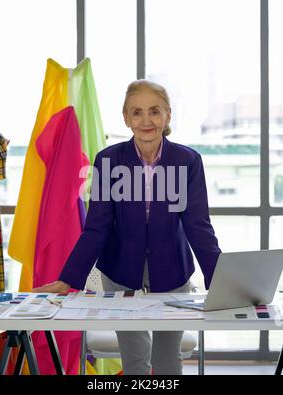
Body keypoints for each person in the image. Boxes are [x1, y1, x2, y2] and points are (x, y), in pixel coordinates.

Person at [33, 80, 221, 375]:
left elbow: (198, 226)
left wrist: (219, 281)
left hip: (173, 270)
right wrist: (69, 278)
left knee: (167, 362)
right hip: (120, 272)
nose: (146, 120)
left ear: (168, 115)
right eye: (137, 112)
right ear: (126, 118)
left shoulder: (188, 161)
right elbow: (97, 227)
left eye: (155, 111)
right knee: (134, 362)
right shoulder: (108, 161)